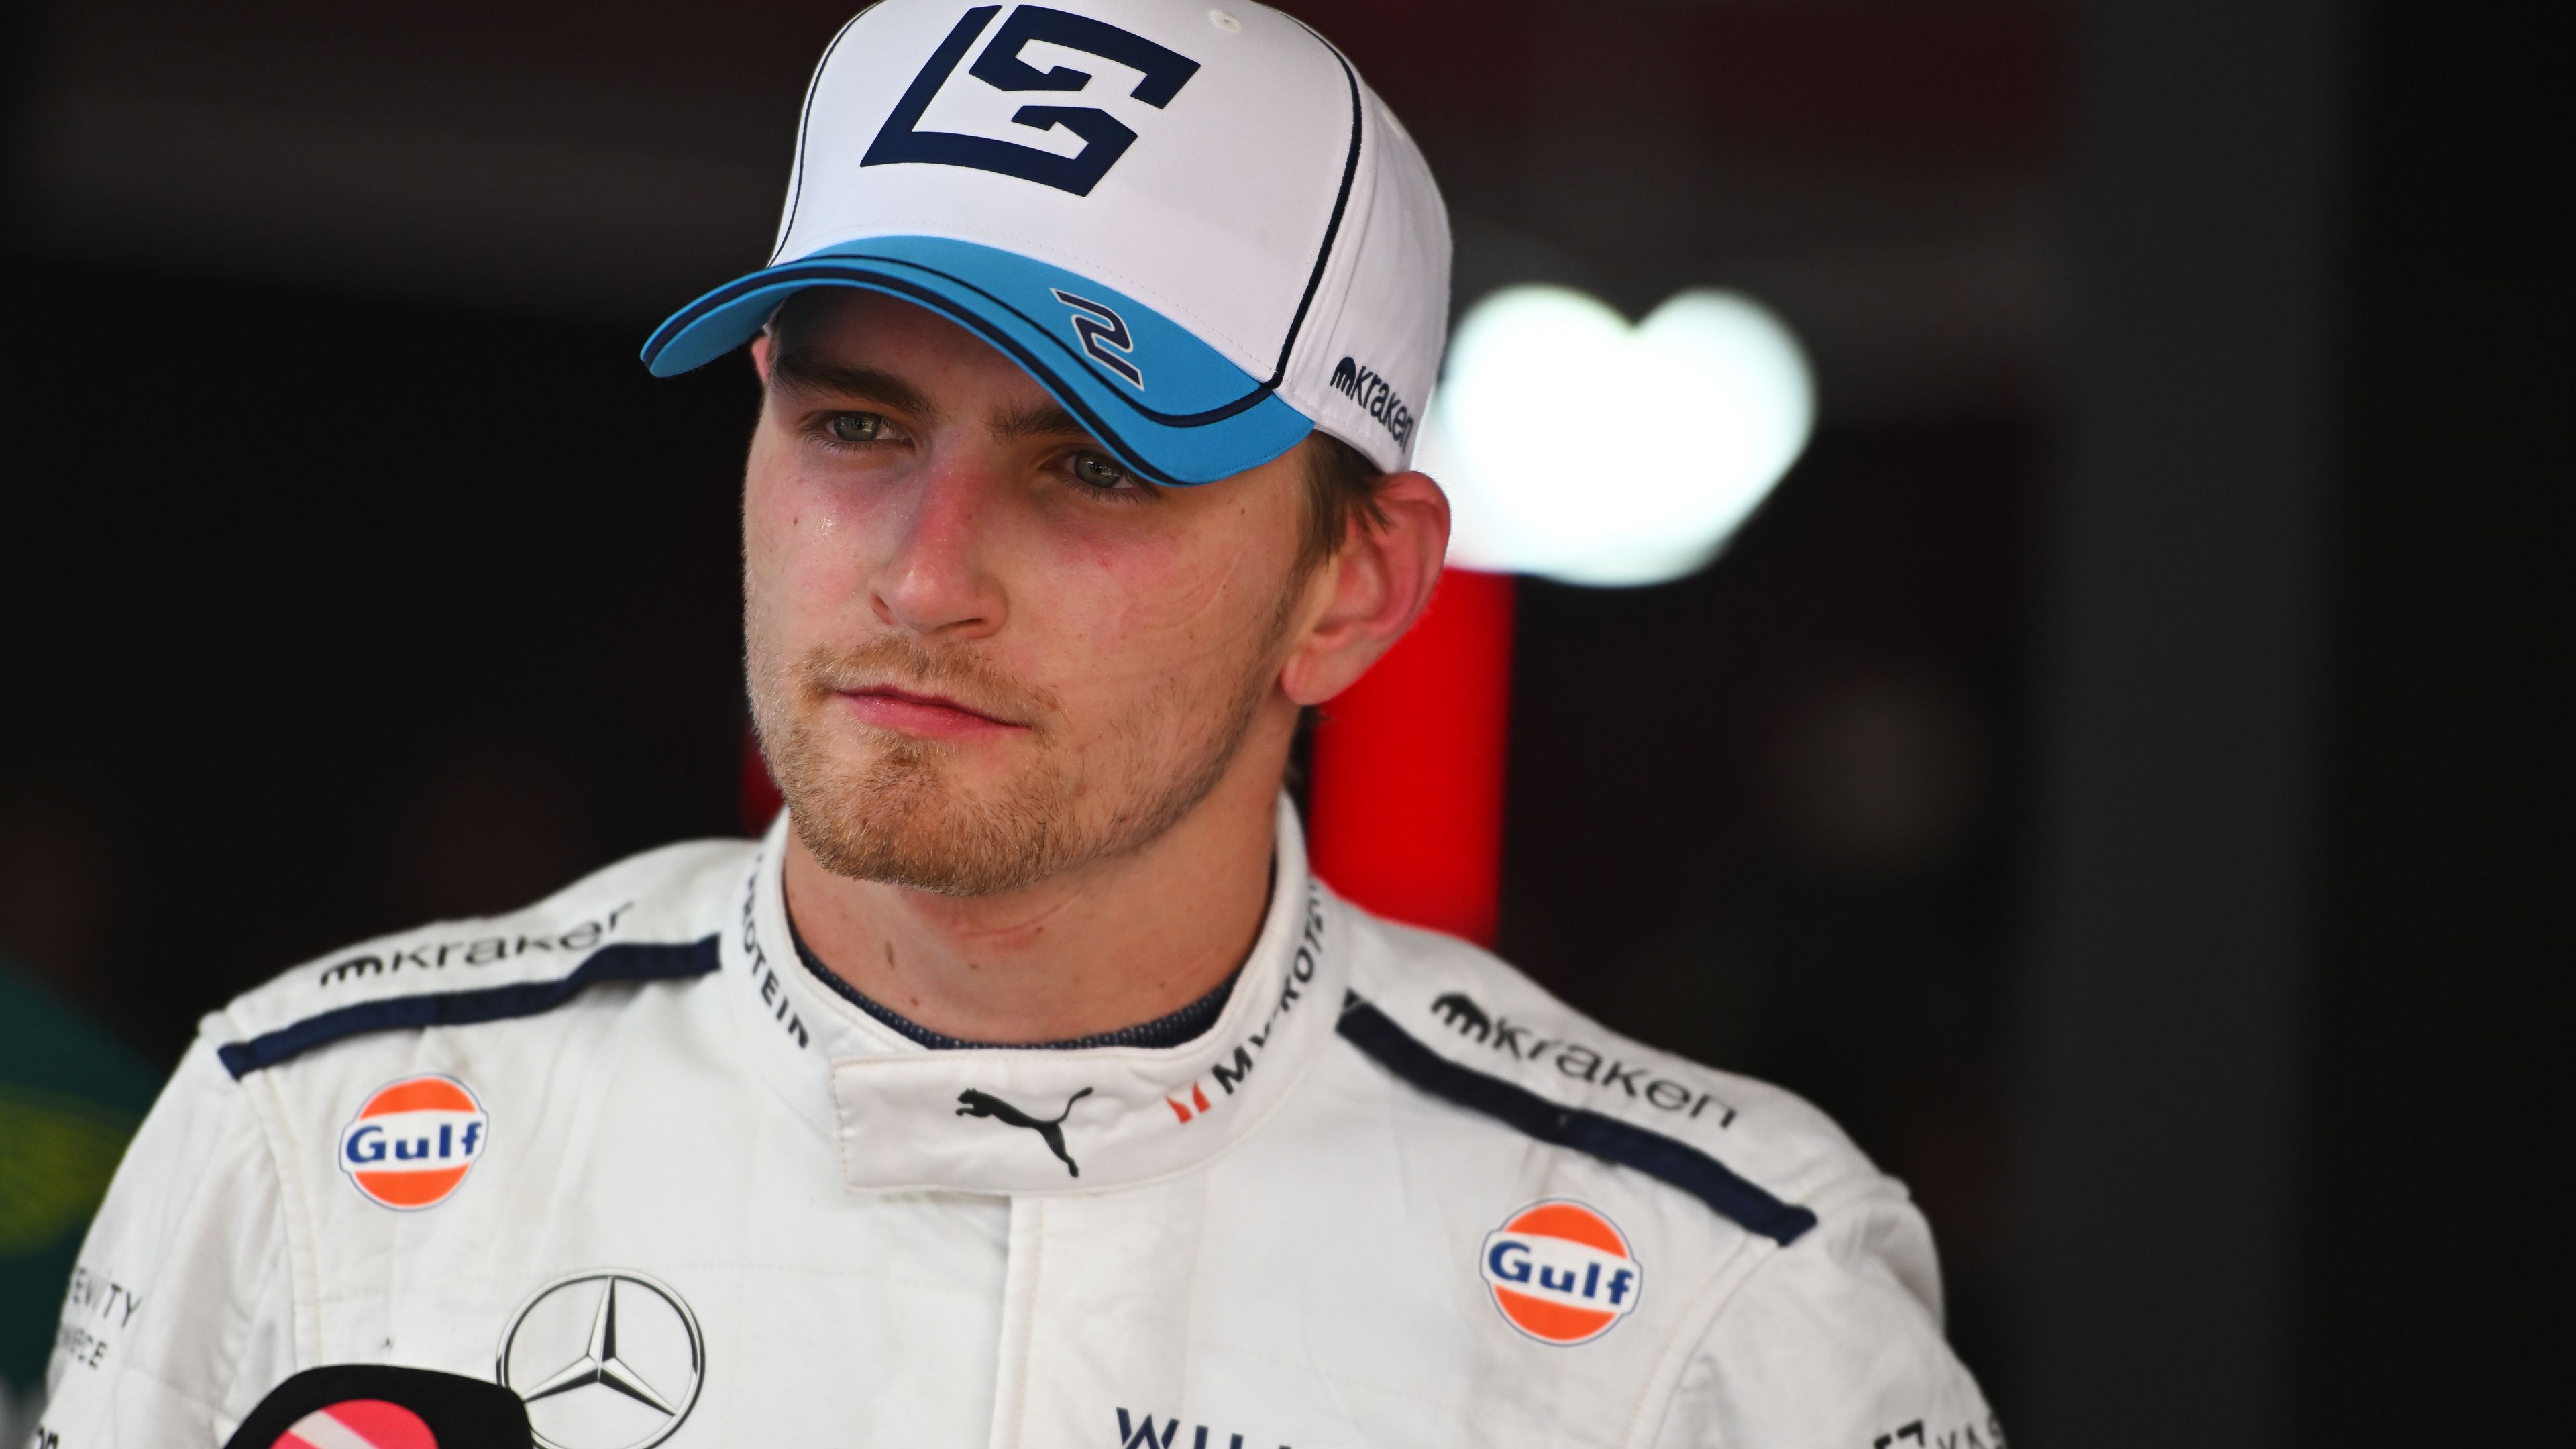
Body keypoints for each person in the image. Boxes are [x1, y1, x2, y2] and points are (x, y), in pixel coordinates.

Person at [38, 1, 1998, 1444]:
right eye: (856, 424)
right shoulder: (300, 1129)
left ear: (1358, 584)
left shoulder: (1719, 1294)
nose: (921, 573)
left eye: (1097, 467)